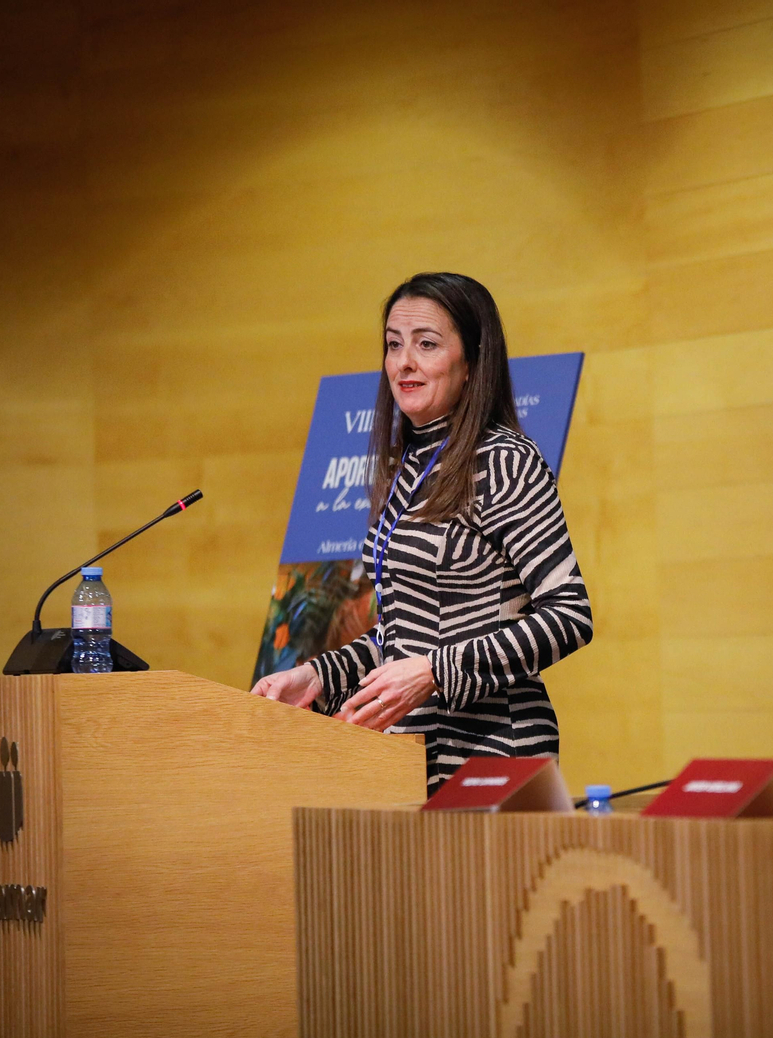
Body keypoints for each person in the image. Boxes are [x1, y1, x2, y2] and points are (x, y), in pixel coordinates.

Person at [254, 272, 593, 788]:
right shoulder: (404, 467)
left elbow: (569, 616)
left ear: (472, 364)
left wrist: (436, 671)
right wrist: (317, 676)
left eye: (426, 344)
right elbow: (403, 638)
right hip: (411, 759)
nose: (403, 362)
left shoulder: (504, 462)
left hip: (495, 751)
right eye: (393, 345)